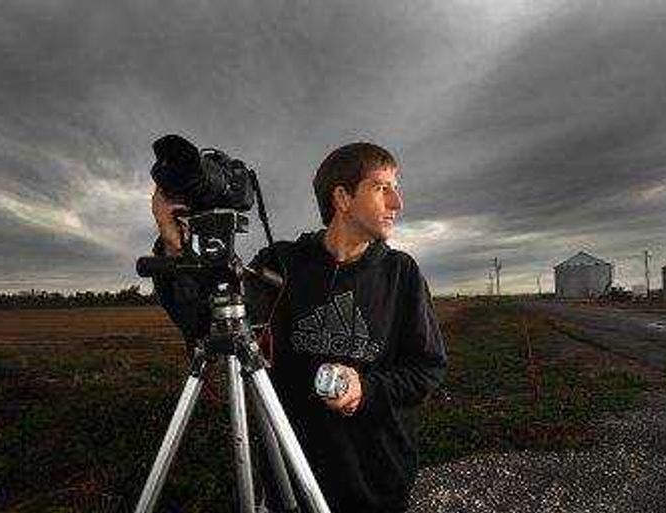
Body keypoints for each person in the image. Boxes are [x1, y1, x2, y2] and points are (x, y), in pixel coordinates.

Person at [151, 142, 447, 513]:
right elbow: (204, 323)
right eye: (381, 188)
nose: (397, 203)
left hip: (377, 482)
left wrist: (365, 389)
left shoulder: (401, 273)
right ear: (342, 197)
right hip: (291, 478)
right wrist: (172, 243)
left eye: (395, 188)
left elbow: (427, 369)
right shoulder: (280, 266)